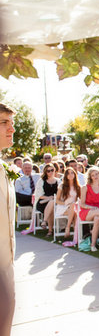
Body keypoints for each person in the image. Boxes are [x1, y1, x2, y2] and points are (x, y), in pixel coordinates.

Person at [0, 103, 17, 336]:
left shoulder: (5, 169)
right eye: (4, 122)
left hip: (6, 266)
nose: (11, 129)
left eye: (12, 123)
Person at [79, 166, 99, 252]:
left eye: (97, 174)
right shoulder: (85, 187)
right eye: (93, 175)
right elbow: (82, 204)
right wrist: (92, 208)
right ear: (90, 177)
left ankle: (93, 245)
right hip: (87, 211)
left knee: (97, 218)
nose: (95, 176)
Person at [55, 167, 80, 238]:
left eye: (72, 173)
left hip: (74, 207)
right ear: (66, 175)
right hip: (63, 206)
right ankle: (71, 229)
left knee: (74, 211)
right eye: (68, 173)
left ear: (75, 174)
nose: (70, 175)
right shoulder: (62, 186)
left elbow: (79, 199)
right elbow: (57, 200)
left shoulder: (78, 187)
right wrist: (65, 203)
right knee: (73, 209)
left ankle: (72, 231)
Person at [34, 165, 60, 235]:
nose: (50, 172)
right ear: (45, 172)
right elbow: (39, 195)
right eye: (48, 171)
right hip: (43, 202)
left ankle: (46, 224)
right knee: (51, 206)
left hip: (55, 202)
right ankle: (50, 230)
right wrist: (49, 198)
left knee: (51, 205)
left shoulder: (58, 181)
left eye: (52, 170)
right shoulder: (42, 181)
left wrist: (54, 198)